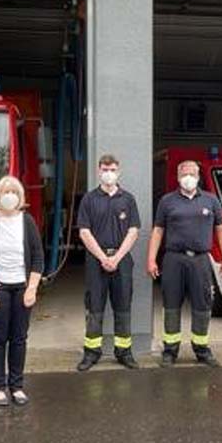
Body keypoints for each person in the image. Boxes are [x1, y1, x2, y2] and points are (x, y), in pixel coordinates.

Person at [147, 160, 222, 367]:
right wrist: (151, 259)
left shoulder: (211, 201)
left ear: (198, 176)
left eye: (192, 173)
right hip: (174, 259)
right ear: (177, 177)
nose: (188, 177)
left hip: (201, 260)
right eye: (184, 173)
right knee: (171, 305)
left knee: (202, 306)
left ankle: (201, 349)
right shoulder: (167, 201)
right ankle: (170, 350)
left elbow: (221, 229)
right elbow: (158, 230)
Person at [0, 176, 45, 406]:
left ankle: (17, 386)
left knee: (19, 339)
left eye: (14, 191)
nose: (10, 195)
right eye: (5, 191)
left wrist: (32, 288)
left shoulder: (28, 222)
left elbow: (38, 258)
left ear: (20, 196)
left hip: (21, 288)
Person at [76, 154, 142, 371]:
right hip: (97, 261)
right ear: (99, 171)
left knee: (123, 306)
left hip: (121, 261)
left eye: (112, 169)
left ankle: (124, 352)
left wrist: (116, 257)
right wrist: (103, 258)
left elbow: (133, 231)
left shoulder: (128, 199)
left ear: (118, 171)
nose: (109, 173)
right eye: (105, 169)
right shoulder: (89, 199)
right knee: (95, 307)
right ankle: (91, 353)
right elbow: (84, 232)